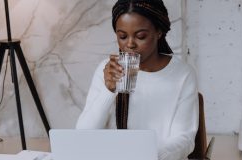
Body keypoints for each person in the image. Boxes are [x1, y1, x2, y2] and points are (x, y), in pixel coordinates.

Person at [76, 0, 199, 160]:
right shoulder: (107, 71)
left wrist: (149, 156)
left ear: (159, 32)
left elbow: (184, 140)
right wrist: (108, 90)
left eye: (140, 36)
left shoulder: (182, 74)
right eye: (122, 36)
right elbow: (83, 136)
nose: (130, 44)